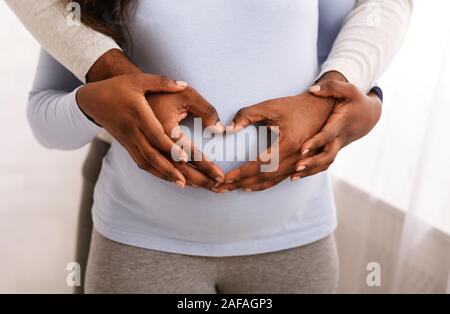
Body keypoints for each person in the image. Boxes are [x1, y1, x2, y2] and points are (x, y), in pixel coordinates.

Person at [7, 0, 412, 293]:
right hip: (142, 245)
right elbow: (46, 117)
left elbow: (343, 61)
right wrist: (92, 104)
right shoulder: (84, 10)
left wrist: (365, 103)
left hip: (294, 244)